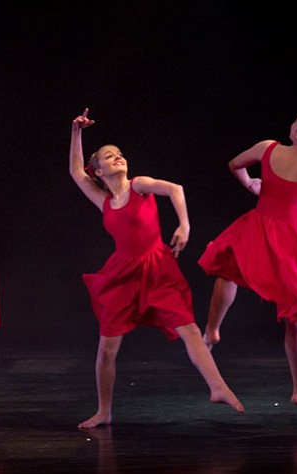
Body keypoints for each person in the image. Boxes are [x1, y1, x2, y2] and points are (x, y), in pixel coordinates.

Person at [198, 68, 297, 415]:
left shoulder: (267, 148)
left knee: (227, 269)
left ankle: (212, 330)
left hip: (259, 227)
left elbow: (233, 164)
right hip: (295, 238)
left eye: (296, 121)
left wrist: (252, 185)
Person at [69, 108, 245, 429]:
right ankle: (104, 411)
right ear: (97, 170)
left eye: (119, 154)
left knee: (189, 328)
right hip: (121, 276)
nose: (118, 158)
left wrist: (184, 225)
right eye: (109, 157)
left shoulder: (139, 185)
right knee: (107, 349)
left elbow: (175, 189)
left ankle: (217, 387)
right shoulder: (103, 201)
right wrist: (76, 132)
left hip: (157, 268)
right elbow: (75, 173)